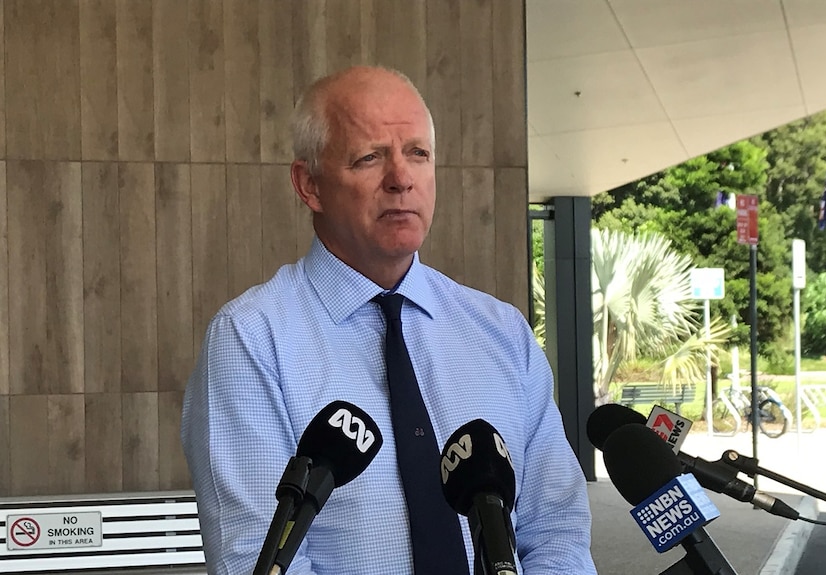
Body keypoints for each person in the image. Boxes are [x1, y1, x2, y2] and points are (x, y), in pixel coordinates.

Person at [181, 65, 597, 575]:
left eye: (418, 154)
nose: (401, 179)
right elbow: (256, 559)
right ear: (309, 184)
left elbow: (556, 532)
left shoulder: (502, 333)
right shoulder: (252, 338)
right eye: (370, 158)